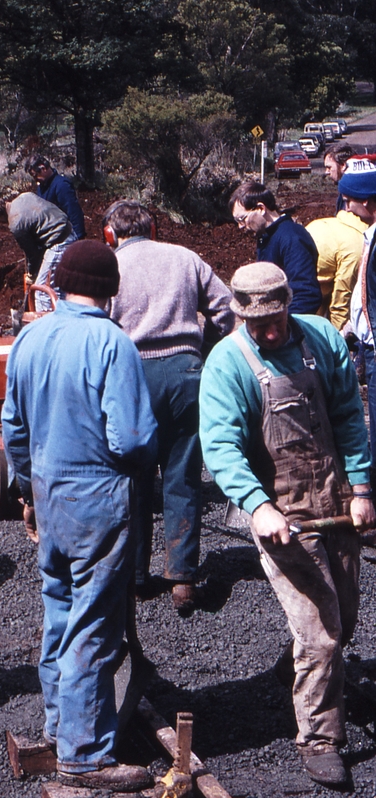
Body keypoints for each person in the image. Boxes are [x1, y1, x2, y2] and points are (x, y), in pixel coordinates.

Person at [199, 262, 375, 788]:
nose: (271, 332)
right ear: (241, 316)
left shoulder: (320, 338)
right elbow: (222, 449)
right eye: (260, 325)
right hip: (282, 512)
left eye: (277, 319)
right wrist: (258, 506)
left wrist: (362, 487)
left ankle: (298, 665)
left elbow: (348, 413)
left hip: (337, 500)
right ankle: (321, 738)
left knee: (341, 620)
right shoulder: (226, 364)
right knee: (323, 638)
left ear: (287, 305)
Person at [2, 240, 157, 787]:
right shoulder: (112, 344)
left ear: (61, 285)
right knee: (94, 621)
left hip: (48, 493)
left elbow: (12, 430)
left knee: (59, 608)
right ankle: (85, 755)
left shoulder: (29, 337)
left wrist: (28, 490)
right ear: (111, 290)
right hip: (97, 498)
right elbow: (133, 440)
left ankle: (58, 725)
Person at [103, 200, 234, 611]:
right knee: (183, 475)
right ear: (152, 227)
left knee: (135, 476)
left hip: (132, 375)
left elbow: (96, 323)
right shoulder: (185, 257)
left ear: (111, 233)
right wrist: (205, 346)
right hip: (185, 376)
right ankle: (182, 577)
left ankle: (138, 577)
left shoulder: (110, 267)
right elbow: (227, 309)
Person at [230, 180, 322, 315]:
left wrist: (281, 328)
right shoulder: (266, 236)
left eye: (242, 219)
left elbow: (306, 295)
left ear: (261, 209)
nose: (240, 226)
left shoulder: (292, 237)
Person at [343, 170, 376, 456]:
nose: (346, 209)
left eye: (349, 201)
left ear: (366, 201)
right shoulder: (370, 235)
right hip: (367, 344)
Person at [6, 191, 76, 311]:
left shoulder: (15, 224)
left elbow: (32, 254)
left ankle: (47, 326)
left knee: (42, 291)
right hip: (69, 231)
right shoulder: (24, 196)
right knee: (60, 288)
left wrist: (32, 273)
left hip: (59, 242)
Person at [305, 207, 367, 332]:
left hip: (313, 274)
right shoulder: (357, 246)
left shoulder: (335, 224)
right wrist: (336, 334)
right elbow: (342, 295)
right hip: (311, 282)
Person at [26, 155, 86, 240]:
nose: (35, 179)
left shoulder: (62, 185)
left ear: (43, 168)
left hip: (66, 237)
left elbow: (73, 212)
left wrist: (78, 238)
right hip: (51, 237)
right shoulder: (42, 187)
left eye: (36, 175)